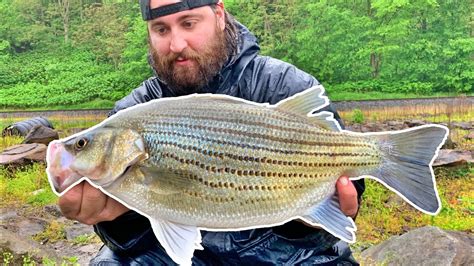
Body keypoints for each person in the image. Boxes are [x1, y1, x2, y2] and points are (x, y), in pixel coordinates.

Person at [58, 0, 365, 264]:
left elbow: (347, 191)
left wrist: (306, 216)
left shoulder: (285, 86)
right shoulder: (131, 112)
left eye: (188, 23)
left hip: (288, 255)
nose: (176, 44)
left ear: (219, 14)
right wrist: (118, 218)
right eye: (161, 30)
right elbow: (133, 241)